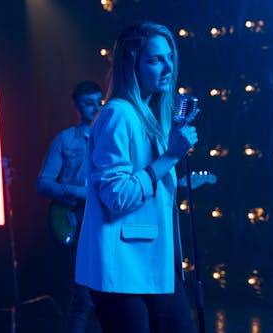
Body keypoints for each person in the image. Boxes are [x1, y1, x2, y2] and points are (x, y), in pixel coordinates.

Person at [75, 21, 198, 332]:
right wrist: (170, 156)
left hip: (154, 261)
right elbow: (116, 196)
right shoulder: (119, 114)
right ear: (132, 63)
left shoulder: (153, 116)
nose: (168, 67)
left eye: (170, 57)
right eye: (156, 59)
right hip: (123, 267)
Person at [37, 81, 103, 333]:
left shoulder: (112, 136)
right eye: (89, 103)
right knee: (82, 298)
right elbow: (42, 183)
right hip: (74, 218)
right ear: (75, 106)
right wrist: (79, 193)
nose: (96, 108)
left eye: (99, 102)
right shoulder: (64, 140)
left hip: (102, 222)